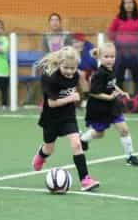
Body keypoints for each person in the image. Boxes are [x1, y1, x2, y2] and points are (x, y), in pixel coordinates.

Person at [31, 46, 100, 191]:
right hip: (51, 118)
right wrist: (71, 98)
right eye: (66, 68)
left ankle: (85, 179)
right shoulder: (50, 78)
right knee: (49, 148)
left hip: (68, 116)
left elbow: (84, 84)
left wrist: (86, 89)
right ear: (59, 64)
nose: (70, 71)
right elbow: (51, 103)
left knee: (76, 144)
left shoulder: (76, 74)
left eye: (73, 68)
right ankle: (41, 155)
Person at [80, 43, 138, 166]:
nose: (109, 59)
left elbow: (112, 84)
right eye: (106, 56)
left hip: (112, 106)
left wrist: (122, 92)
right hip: (99, 108)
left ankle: (130, 157)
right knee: (99, 133)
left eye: (112, 56)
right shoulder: (98, 74)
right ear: (100, 57)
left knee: (124, 130)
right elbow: (93, 92)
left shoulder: (112, 69)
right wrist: (109, 97)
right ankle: (82, 139)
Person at [108, 0, 138, 97]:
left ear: (134, 4)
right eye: (126, 3)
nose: (128, 5)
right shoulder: (117, 18)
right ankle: (118, 101)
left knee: (137, 78)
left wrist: (137, 42)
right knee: (119, 77)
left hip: (135, 53)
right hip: (120, 53)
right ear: (123, 5)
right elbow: (110, 33)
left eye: (130, 2)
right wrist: (119, 42)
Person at [71, 33, 98, 107]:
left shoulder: (90, 48)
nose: (76, 44)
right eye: (74, 42)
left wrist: (80, 54)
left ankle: (87, 99)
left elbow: (92, 64)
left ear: (83, 42)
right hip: (74, 72)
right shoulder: (71, 50)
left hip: (90, 71)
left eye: (78, 42)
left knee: (83, 75)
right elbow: (68, 64)